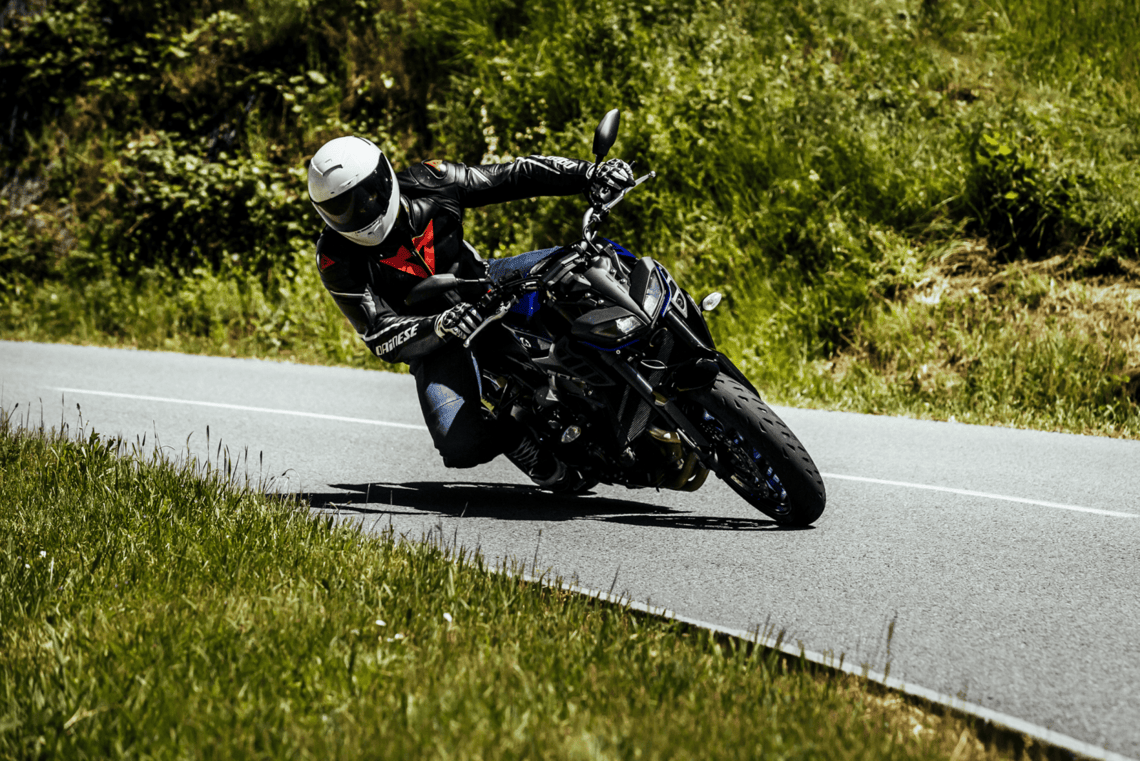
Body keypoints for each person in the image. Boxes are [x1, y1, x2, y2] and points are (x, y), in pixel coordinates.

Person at [307, 135, 635, 488]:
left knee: (581, 263)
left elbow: (514, 175)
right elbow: (377, 332)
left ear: (384, 178)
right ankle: (514, 436)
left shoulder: (431, 180)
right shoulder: (334, 257)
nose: (359, 213)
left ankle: (644, 334)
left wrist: (587, 174)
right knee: (459, 446)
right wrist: (439, 326)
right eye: (341, 208)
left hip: (484, 282)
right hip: (434, 339)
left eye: (366, 196)